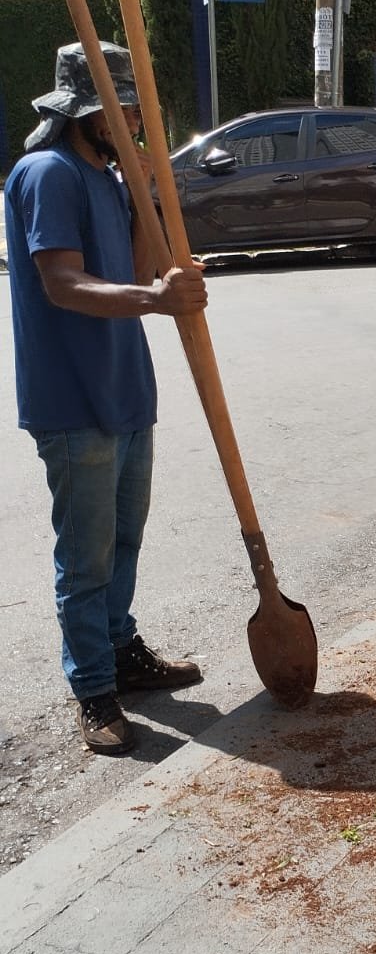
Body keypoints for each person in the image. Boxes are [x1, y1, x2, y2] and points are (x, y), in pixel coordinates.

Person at [4, 41, 209, 756]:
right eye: (120, 108)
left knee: (124, 541)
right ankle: (93, 688)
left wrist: (148, 196)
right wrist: (155, 299)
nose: (131, 120)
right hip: (71, 400)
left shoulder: (112, 177)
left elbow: (142, 263)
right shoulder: (46, 173)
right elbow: (62, 282)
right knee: (85, 558)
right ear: (84, 113)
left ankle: (121, 651)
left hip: (127, 388)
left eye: (135, 108)